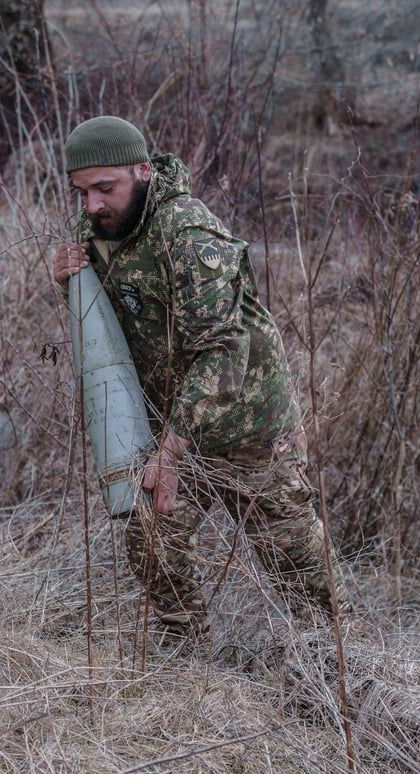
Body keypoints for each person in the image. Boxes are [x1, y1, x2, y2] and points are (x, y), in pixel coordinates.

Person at [53, 116, 344, 640]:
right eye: (82, 193)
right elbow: (111, 331)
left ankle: (342, 667)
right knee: (151, 537)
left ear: (143, 170)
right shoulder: (97, 231)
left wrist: (169, 454)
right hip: (174, 423)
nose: (93, 205)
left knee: (295, 560)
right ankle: (185, 656)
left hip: (246, 423)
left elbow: (222, 350)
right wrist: (72, 286)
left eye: (105, 189)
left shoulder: (187, 230)